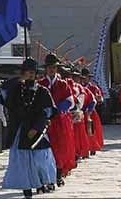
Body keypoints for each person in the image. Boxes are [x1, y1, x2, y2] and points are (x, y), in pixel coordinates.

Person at [2, 58, 57, 199]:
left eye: (33, 72)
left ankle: (41, 183)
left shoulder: (42, 91)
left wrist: (37, 127)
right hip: (19, 129)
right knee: (22, 161)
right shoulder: (15, 89)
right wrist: (20, 79)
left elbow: (48, 112)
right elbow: (3, 92)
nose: (31, 74)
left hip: (36, 129)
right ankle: (26, 188)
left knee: (40, 159)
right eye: (27, 71)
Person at [38, 53, 75, 186]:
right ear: (46, 69)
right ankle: (46, 177)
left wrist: (57, 108)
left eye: (54, 67)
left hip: (59, 120)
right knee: (46, 149)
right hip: (44, 121)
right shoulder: (40, 84)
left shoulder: (63, 84)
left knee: (60, 148)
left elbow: (70, 101)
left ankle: (58, 175)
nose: (52, 69)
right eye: (49, 67)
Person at [80, 68, 105, 154]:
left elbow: (100, 98)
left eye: (86, 77)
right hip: (81, 112)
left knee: (91, 130)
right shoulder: (79, 87)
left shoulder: (93, 88)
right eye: (82, 77)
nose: (84, 79)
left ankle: (92, 146)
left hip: (91, 112)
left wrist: (99, 98)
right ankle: (83, 148)